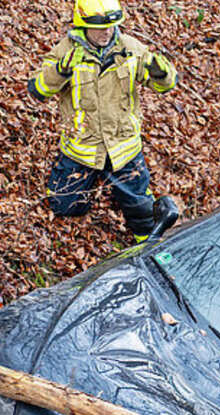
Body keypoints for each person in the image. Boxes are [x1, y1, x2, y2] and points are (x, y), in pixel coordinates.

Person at [28, 0, 180, 243]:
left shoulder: (130, 48)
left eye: (111, 26)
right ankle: (96, 182)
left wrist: (161, 72)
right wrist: (60, 71)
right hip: (82, 147)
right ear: (83, 26)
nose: (107, 32)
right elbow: (37, 90)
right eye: (100, 27)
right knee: (62, 204)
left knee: (141, 210)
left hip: (123, 146)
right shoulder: (65, 52)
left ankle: (146, 244)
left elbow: (168, 84)